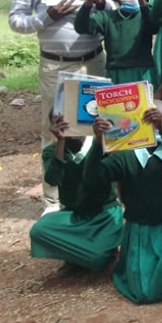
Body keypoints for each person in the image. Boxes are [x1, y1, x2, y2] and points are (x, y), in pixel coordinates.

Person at [9, 0, 108, 212]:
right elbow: (16, 20)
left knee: (97, 124)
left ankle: (96, 193)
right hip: (56, 66)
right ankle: (53, 200)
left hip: (94, 60)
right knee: (56, 129)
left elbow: (113, 10)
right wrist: (47, 16)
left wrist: (97, 0)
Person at [84, 100, 162, 304]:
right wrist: (96, 142)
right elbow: (93, 179)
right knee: (141, 289)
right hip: (139, 228)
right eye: (155, 121)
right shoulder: (126, 155)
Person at [29, 113, 123, 276]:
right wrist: (60, 141)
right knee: (39, 230)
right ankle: (81, 256)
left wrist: (99, 140)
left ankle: (85, 255)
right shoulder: (52, 151)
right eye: (62, 123)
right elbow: (53, 179)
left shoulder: (101, 145)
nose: (71, 126)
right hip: (74, 215)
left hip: (104, 214)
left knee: (98, 258)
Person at [74, 0, 155, 84]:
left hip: (142, 72)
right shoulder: (107, 17)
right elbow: (81, 27)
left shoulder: (144, 15)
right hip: (115, 73)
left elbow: (153, 26)